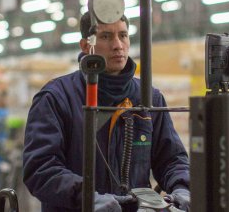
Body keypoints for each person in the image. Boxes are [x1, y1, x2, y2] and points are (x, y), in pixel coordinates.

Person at [22, 13, 190, 212]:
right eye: (106, 37)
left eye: (123, 35)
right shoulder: (56, 98)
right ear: (86, 46)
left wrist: (183, 188)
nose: (118, 45)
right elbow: (41, 169)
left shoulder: (149, 98)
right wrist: (87, 198)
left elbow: (171, 158)